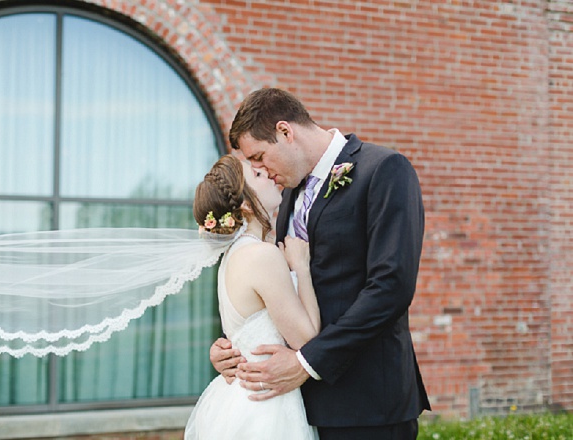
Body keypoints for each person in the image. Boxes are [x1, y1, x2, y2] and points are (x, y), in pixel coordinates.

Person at [210, 87, 431, 440]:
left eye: (260, 156)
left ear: (285, 132)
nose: (260, 171)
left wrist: (305, 362)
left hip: (366, 405)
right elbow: (275, 292)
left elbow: (391, 287)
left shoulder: (383, 170)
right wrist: (231, 346)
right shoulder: (285, 197)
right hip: (293, 408)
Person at [184, 154, 320, 439]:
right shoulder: (262, 255)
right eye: (257, 176)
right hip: (265, 406)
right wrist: (302, 268)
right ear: (245, 204)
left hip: (237, 399)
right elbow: (306, 340)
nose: (268, 174)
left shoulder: (234, 255)